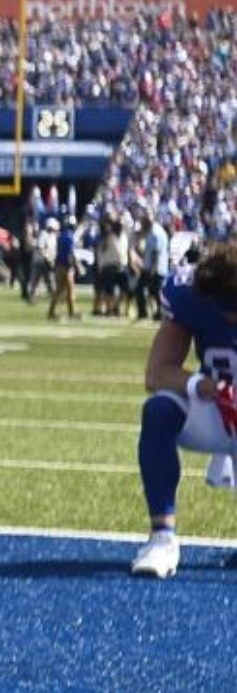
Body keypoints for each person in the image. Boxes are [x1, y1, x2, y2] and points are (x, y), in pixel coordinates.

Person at [130, 240, 237, 578]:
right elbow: (157, 372)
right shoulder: (190, 295)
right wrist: (202, 385)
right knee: (159, 410)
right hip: (217, 407)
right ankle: (162, 538)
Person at [47, 216, 80, 320]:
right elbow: (71, 254)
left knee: (59, 289)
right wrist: (77, 266)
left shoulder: (61, 236)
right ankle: (71, 312)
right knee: (69, 290)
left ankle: (52, 311)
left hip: (59, 265)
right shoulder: (70, 237)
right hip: (66, 266)